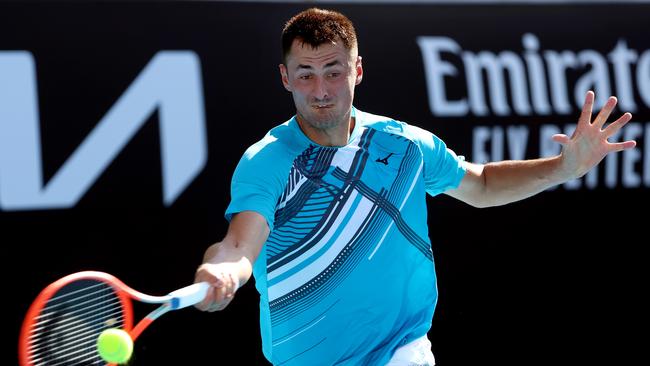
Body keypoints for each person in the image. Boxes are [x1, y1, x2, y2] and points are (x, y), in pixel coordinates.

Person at [193, 7, 636, 366]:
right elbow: (239, 244)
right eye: (305, 74)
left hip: (400, 354)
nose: (321, 89)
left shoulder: (404, 144)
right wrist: (223, 271)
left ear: (358, 70)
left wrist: (562, 167)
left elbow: (480, 185)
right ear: (286, 78)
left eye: (333, 71)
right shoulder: (267, 160)